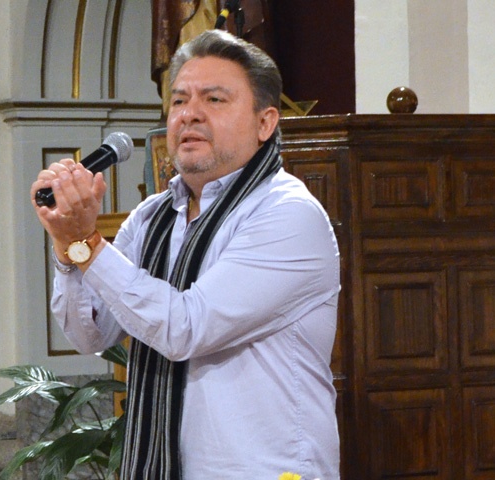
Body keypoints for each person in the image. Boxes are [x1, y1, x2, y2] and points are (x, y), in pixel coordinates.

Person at [30, 29, 340, 479]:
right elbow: (91, 334)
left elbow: (186, 328)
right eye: (179, 101)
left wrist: (89, 245)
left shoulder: (287, 215)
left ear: (265, 122)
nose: (189, 114)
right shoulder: (152, 216)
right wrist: (67, 243)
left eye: (214, 99)